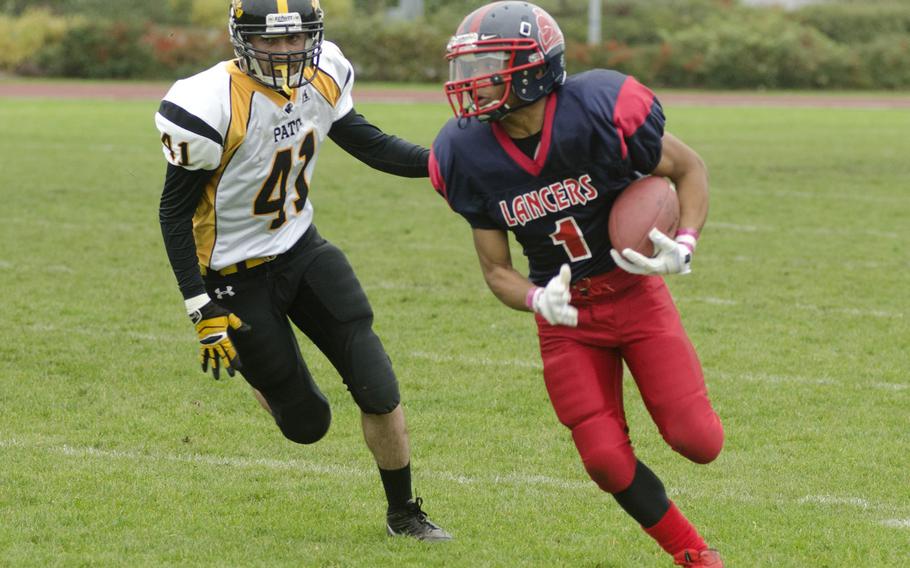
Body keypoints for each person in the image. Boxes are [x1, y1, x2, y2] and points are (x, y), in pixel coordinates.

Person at [429, 2, 724, 565]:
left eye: (491, 64)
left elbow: (688, 169)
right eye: (469, 67)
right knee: (605, 461)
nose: (474, 82)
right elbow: (496, 269)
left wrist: (684, 243)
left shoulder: (597, 110)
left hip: (635, 296)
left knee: (699, 441)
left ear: (537, 67)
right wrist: (538, 298)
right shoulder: (463, 151)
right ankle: (694, 554)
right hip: (568, 321)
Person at [153, 0, 450, 541]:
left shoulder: (325, 72)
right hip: (231, 274)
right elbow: (174, 213)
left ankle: (404, 513)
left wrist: (443, 163)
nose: (289, 51)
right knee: (307, 425)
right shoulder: (208, 102)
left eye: (298, 38)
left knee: (377, 386)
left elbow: (368, 143)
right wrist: (200, 305)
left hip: (302, 248)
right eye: (274, 39)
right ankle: (260, 363)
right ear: (241, 39)